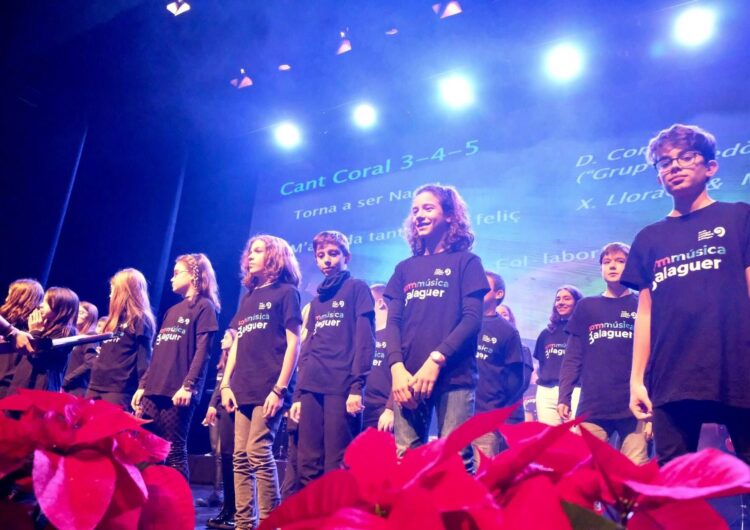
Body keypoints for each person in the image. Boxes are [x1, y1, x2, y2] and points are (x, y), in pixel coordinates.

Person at [622, 124, 750, 465]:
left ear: (710, 167)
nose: (674, 166)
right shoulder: (648, 239)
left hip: (738, 370)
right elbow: (645, 314)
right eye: (664, 162)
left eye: (686, 157)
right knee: (673, 491)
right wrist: (636, 379)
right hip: (671, 378)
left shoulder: (739, 217)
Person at [384, 183, 489, 472]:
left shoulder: (467, 262)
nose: (418, 215)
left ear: (450, 216)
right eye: (414, 210)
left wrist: (436, 359)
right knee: (407, 460)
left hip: (453, 375)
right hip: (407, 378)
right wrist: (396, 369)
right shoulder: (404, 268)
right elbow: (393, 323)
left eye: (427, 208)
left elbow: (471, 319)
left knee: (456, 461)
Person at [220, 235, 302, 530]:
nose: (250, 256)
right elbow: (237, 345)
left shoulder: (287, 293)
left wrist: (280, 389)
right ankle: (244, 524)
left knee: (257, 450)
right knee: (240, 457)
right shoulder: (249, 298)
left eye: (258, 251)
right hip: (242, 385)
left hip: (270, 386)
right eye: (249, 251)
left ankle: (271, 522)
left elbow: (294, 344)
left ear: (275, 257)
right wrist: (226, 385)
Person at [292, 230, 375, 487]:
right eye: (321, 255)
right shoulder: (317, 302)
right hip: (310, 387)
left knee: (337, 463)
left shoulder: (357, 289)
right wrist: (297, 395)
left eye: (333, 253)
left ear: (346, 256)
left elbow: (365, 340)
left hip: (341, 387)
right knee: (307, 461)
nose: (326, 259)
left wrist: (356, 387)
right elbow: (307, 349)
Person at [558, 243, 648, 464]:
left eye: (620, 261)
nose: (613, 266)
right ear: (600, 269)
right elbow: (573, 356)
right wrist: (564, 396)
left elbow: (654, 358)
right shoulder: (587, 306)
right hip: (593, 405)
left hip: (634, 407)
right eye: (607, 262)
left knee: (636, 473)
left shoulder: (642, 305)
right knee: (585, 473)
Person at [132, 253, 220, 479]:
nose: (172, 279)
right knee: (146, 449)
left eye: (177, 273)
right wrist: (143, 386)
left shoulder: (204, 306)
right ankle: (149, 503)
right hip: (153, 389)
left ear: (194, 275)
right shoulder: (171, 311)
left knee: (174, 451)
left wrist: (189, 386)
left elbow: (203, 351)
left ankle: (177, 509)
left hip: (177, 391)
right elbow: (158, 351)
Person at [472, 271, 525, 460]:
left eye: (483, 286)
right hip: (456, 415)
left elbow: (516, 379)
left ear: (498, 294)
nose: (476, 289)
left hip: (487, 418)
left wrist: (496, 408)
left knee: (482, 479)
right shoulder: (462, 322)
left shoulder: (507, 331)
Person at [88, 268, 155, 409]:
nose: (110, 295)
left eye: (113, 290)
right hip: (95, 385)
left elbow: (145, 359)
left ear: (124, 292)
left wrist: (142, 386)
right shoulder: (112, 320)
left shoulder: (140, 319)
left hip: (118, 390)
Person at [9, 287, 79, 393]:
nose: (40, 305)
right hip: (23, 383)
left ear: (60, 308)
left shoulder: (66, 332)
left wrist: (35, 332)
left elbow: (37, 356)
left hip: (40, 388)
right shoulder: (44, 326)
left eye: (46, 302)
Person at [533, 285, 583, 426]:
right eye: (558, 299)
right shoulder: (546, 333)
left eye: (567, 298)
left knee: (575, 440)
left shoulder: (582, 331)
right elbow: (541, 364)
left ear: (577, 302)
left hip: (575, 391)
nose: (561, 302)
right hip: (546, 392)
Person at [204, 328, 237, 530]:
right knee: (223, 455)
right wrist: (211, 406)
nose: (221, 340)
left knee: (233, 457)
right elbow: (219, 389)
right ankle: (226, 506)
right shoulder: (222, 364)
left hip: (234, 408)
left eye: (226, 337)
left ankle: (235, 508)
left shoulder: (241, 361)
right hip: (220, 409)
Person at [0, 279, 44, 397]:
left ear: (17, 297)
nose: (6, 299)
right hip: (12, 387)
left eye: (10, 295)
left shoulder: (6, 323)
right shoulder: (38, 325)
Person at [362, 284, 394, 432]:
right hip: (361, 409)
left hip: (383, 413)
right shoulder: (365, 336)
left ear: (380, 303)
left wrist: (390, 409)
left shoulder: (395, 336)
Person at [62, 301, 99, 397]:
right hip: (65, 387)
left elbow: (90, 363)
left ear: (90, 317)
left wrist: (66, 380)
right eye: (76, 311)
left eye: (81, 312)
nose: (77, 314)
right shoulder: (72, 336)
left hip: (76, 390)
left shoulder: (91, 337)